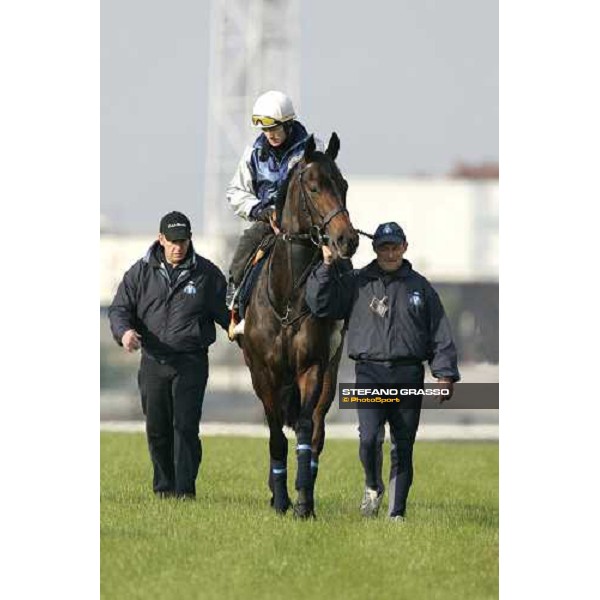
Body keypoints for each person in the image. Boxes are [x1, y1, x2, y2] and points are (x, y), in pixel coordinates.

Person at [306, 222, 460, 521]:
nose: (389, 253)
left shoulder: (421, 287)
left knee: (403, 445)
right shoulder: (356, 282)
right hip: (369, 373)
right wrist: (325, 266)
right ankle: (373, 486)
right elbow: (320, 304)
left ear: (404, 247)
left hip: (408, 375)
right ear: (375, 249)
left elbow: (440, 332)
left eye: (394, 247)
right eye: (383, 247)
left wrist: (444, 374)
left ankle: (396, 514)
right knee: (369, 439)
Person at [108, 211, 229, 499]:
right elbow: (119, 310)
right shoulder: (139, 273)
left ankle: (185, 491)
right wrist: (124, 333)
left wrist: (247, 334)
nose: (178, 247)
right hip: (153, 361)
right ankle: (164, 489)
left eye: (183, 241)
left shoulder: (208, 275)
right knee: (157, 429)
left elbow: (231, 317)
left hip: (191, 363)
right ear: (160, 239)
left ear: (190, 240)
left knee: (185, 427)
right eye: (172, 241)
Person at [226, 90, 323, 336]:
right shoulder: (253, 153)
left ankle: (342, 317)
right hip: (268, 221)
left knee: (339, 259)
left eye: (275, 129)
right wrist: (260, 210)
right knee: (244, 248)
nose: (270, 135)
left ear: (288, 124)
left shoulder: (312, 149)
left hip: (307, 223)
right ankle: (237, 306)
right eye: (265, 130)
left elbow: (323, 188)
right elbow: (235, 191)